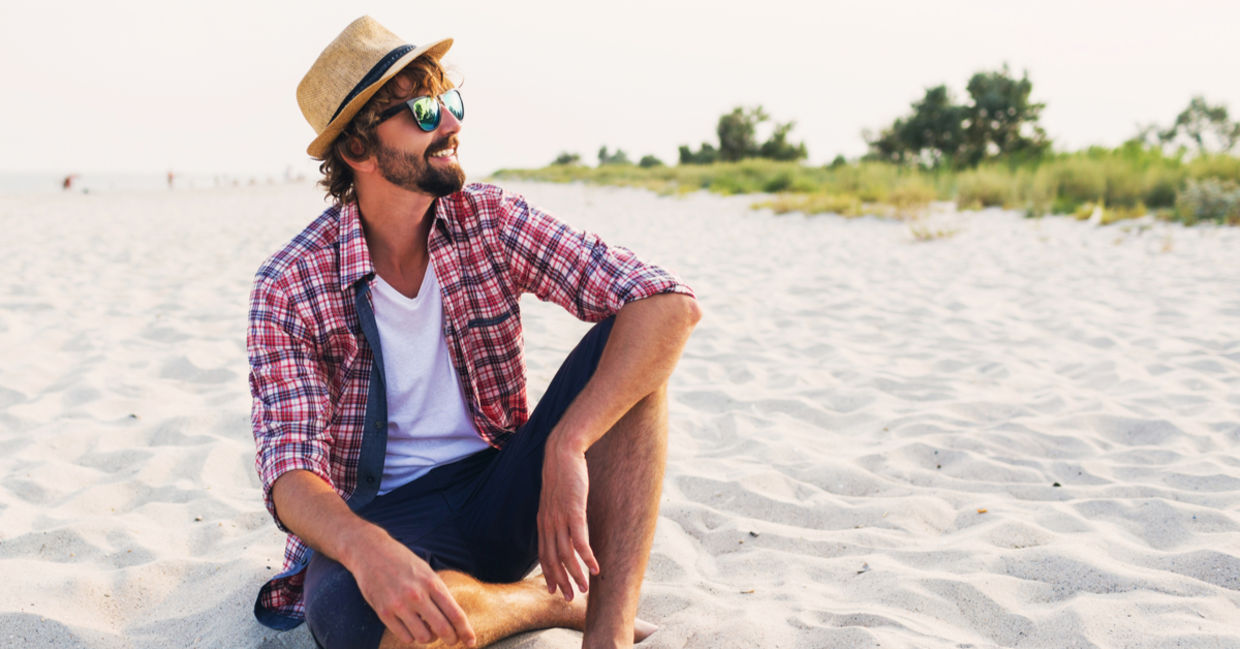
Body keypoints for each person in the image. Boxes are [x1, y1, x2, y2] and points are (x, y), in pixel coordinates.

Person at [247, 16, 700, 649]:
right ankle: (538, 601)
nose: (451, 124)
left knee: (634, 357)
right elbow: (289, 471)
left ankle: (607, 634)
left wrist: (567, 444)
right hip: (379, 519)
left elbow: (668, 304)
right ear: (358, 152)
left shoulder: (488, 218)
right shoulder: (290, 283)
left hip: (503, 489)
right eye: (422, 111)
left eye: (450, 101)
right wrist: (366, 548)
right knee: (374, 628)